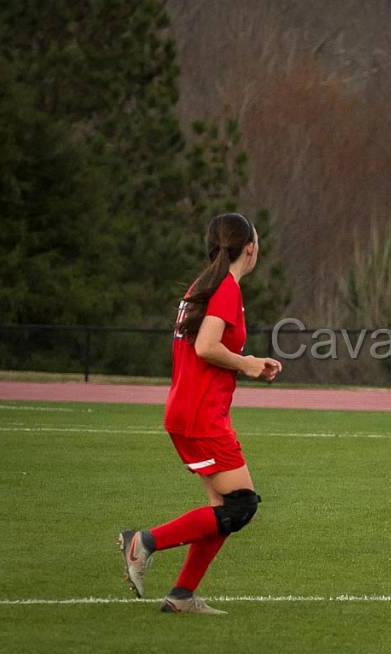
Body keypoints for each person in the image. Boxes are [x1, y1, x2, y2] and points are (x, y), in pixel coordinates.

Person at [119, 213, 282, 614]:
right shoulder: (224, 288)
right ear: (250, 247)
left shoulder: (206, 286)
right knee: (242, 506)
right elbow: (205, 346)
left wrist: (247, 364)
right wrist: (246, 363)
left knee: (224, 512)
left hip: (193, 410)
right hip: (199, 415)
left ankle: (182, 596)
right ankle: (144, 541)